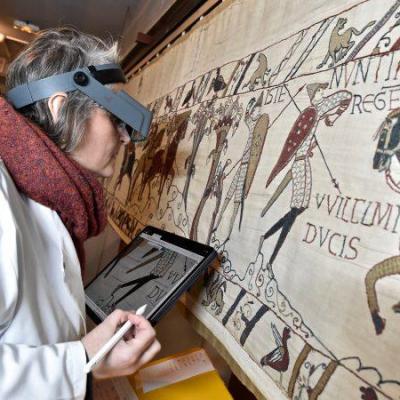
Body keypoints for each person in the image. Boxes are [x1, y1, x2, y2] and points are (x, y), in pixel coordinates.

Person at [0, 27, 160, 399]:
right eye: (114, 116)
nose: (124, 137)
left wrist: (87, 350)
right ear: (59, 108)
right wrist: (82, 363)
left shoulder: (53, 195)